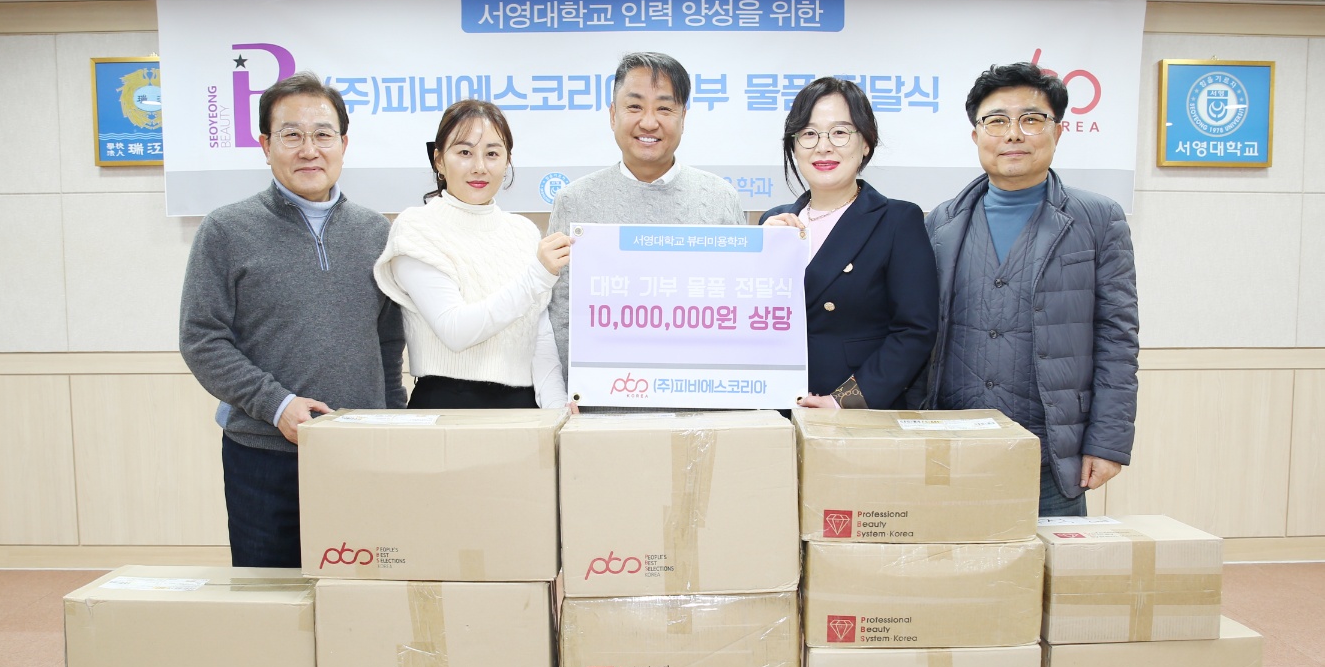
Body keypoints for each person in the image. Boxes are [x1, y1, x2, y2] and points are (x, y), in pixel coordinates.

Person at [180, 71, 406, 567]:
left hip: (360, 451)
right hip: (263, 455)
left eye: (323, 134)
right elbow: (201, 339)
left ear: (343, 144)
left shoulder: (375, 231)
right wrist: (276, 404)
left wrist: (393, 420)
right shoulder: (225, 230)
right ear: (265, 145)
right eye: (291, 135)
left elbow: (388, 341)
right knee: (271, 596)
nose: (309, 150)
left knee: (362, 592)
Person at [917, 62, 1139, 516]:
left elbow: (1117, 338)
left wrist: (1108, 442)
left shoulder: (1098, 219)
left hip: (1051, 452)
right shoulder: (939, 222)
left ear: (1057, 131)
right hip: (952, 444)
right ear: (976, 135)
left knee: (1050, 562)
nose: (1014, 134)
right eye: (997, 121)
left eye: (1031, 120)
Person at [546, 52, 745, 384]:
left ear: (683, 117)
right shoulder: (574, 200)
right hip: (604, 398)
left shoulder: (720, 198)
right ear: (613, 115)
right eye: (635, 106)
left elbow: (739, 305)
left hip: (698, 394)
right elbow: (562, 313)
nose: (649, 122)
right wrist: (577, 387)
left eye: (664, 108)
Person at [373, 100, 570, 409]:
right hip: (445, 407)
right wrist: (537, 276)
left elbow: (541, 339)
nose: (479, 166)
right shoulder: (415, 228)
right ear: (439, 160)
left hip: (524, 408)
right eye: (464, 152)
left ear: (507, 161)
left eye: (492, 154)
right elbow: (455, 330)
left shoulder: (524, 232)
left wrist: (557, 410)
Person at [759, 77, 938, 409]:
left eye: (839, 132)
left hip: (856, 414)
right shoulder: (774, 222)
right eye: (809, 134)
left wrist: (846, 400)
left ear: (866, 143)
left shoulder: (898, 220)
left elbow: (914, 330)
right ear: (794, 146)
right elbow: (750, 318)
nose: (823, 147)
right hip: (776, 404)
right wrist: (759, 255)